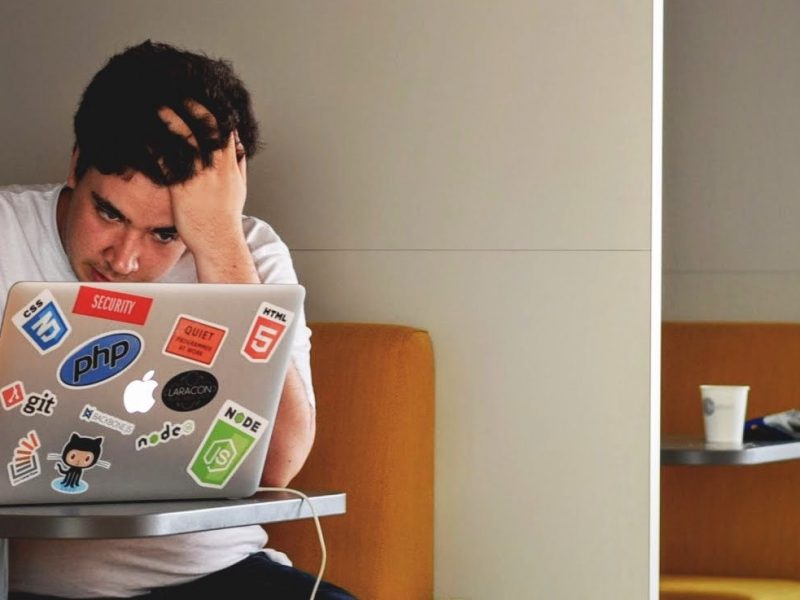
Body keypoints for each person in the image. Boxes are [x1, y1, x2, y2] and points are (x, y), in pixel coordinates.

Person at [1, 40, 355, 600]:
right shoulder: (5, 232)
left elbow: (278, 465)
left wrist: (217, 241)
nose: (124, 259)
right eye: (108, 212)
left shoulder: (250, 253)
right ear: (76, 164)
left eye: (166, 233)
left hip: (217, 575)